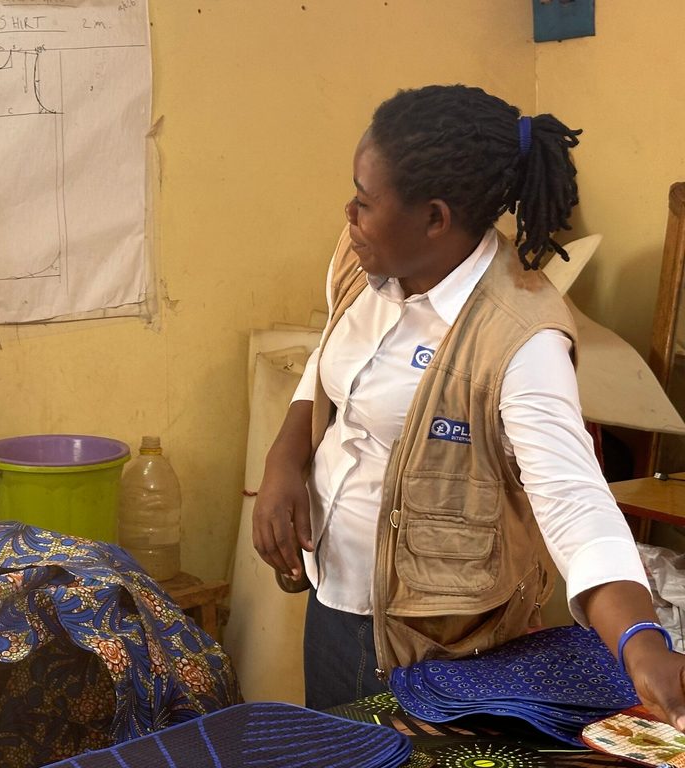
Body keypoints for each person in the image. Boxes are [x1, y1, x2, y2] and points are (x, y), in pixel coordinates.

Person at [252, 84, 685, 730]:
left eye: (366, 203)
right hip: (335, 603)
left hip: (446, 650)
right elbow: (327, 360)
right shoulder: (359, 260)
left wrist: (640, 642)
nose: (348, 212)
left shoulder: (520, 338)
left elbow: (574, 501)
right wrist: (286, 460)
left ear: (434, 217)